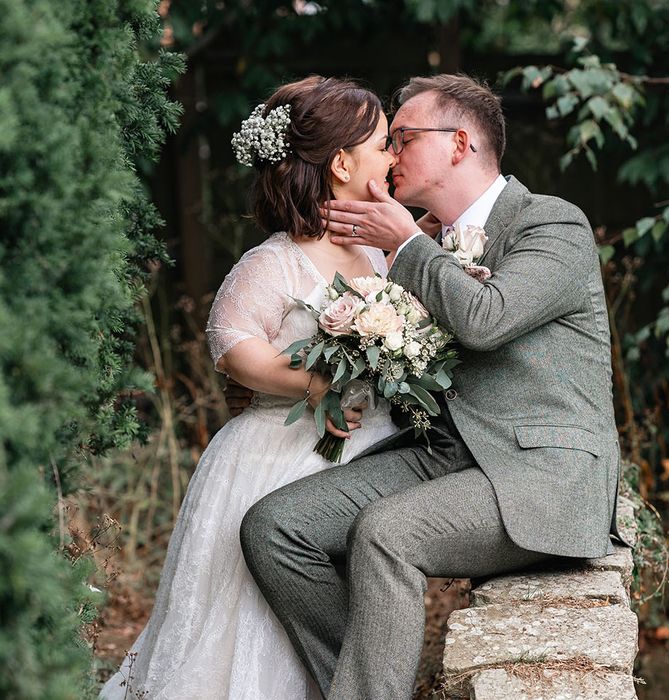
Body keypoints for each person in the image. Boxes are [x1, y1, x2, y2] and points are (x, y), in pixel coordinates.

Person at [239, 73, 624, 700]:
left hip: (542, 474)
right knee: (276, 528)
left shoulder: (551, 224)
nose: (390, 153)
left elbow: (485, 320)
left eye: (405, 137)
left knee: (387, 533)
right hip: (445, 457)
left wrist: (409, 244)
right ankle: (377, 687)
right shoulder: (412, 242)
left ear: (460, 145)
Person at [99, 76, 399, 700]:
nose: (394, 156)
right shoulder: (278, 259)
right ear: (342, 164)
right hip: (277, 458)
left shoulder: (384, 252)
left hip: (372, 447)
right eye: (384, 144)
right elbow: (232, 345)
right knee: (250, 623)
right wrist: (313, 384)